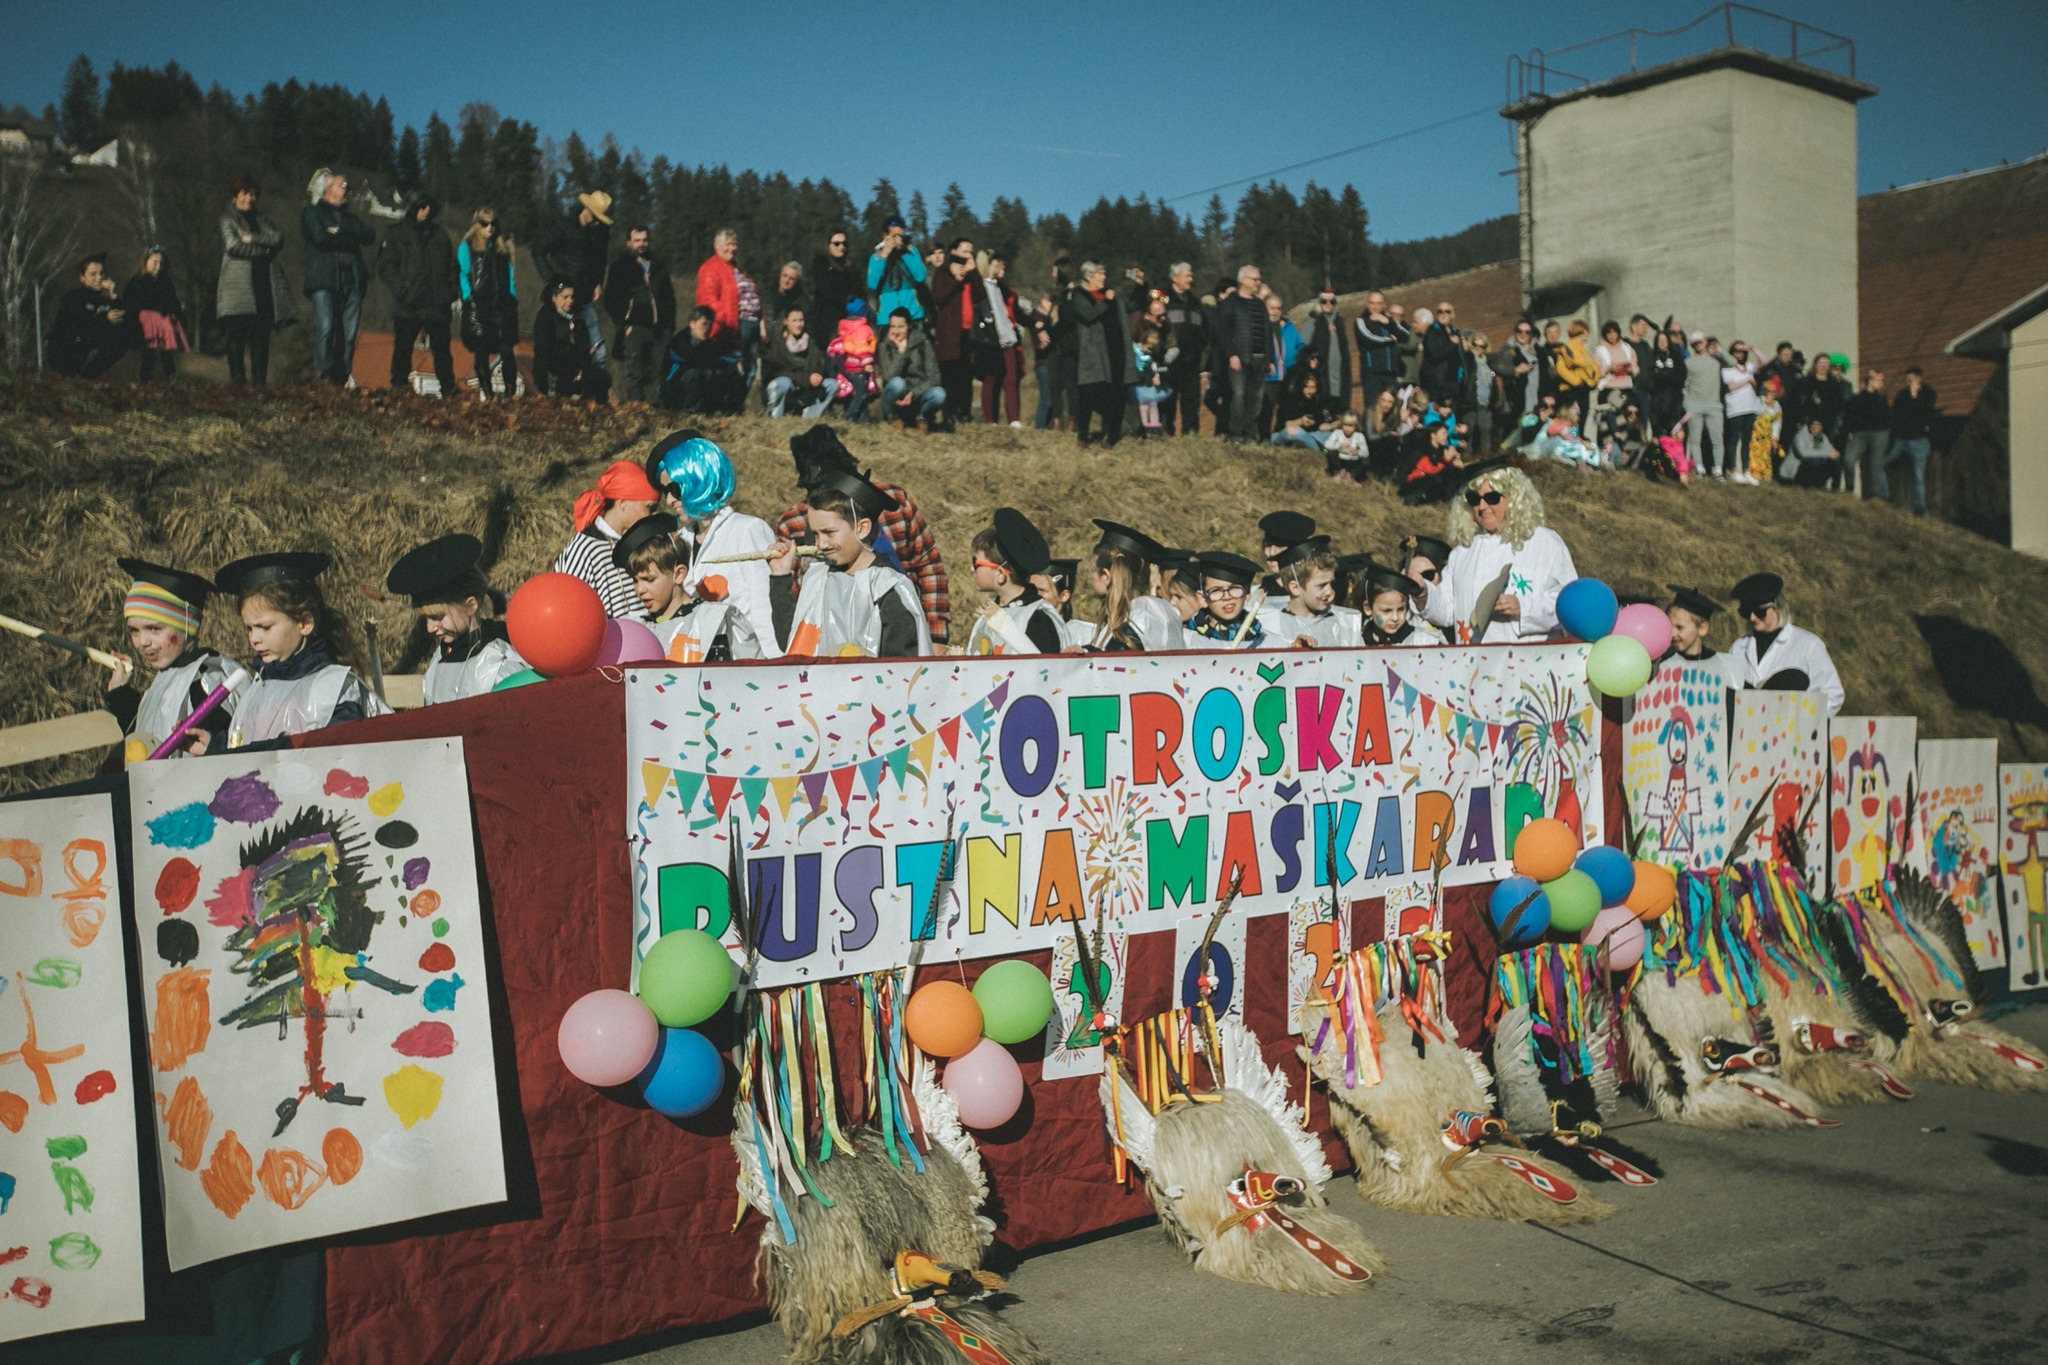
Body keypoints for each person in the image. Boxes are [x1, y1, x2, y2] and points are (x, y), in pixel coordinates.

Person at [773, 425, 950, 643]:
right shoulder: (793, 523)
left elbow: (928, 566)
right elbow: (795, 629)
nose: (821, 543)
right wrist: (779, 579)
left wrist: (936, 635)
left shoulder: (897, 504)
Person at [211, 553, 390, 749]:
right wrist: (213, 746)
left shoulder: (334, 688)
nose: (254, 639)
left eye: (265, 627)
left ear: (304, 623)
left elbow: (337, 751)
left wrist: (282, 746)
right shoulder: (258, 686)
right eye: (249, 628)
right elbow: (241, 746)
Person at [770, 469, 932, 658]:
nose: (820, 544)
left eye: (829, 532)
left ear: (862, 528)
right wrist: (780, 576)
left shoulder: (887, 587)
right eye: (815, 534)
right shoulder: (817, 577)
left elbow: (901, 665)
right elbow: (792, 642)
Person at [1417, 464, 1576, 646]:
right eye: (1474, 499)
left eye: (1492, 498)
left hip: (1528, 662)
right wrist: (1423, 593)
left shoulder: (1544, 542)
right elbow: (1446, 610)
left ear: (1514, 498)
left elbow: (1570, 603)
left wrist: (1522, 609)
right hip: (1475, 664)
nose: (1482, 506)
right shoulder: (1462, 553)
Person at [658, 436, 782, 654]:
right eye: (665, 492)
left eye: (675, 490)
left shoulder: (748, 529)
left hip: (748, 662)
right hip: (698, 663)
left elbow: (765, 607)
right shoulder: (681, 539)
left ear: (698, 481)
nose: (669, 501)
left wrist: (774, 664)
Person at [104, 558, 233, 758]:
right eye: (134, 631)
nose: (143, 642)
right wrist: (120, 694)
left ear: (189, 626)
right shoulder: (166, 677)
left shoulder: (205, 680)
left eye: (154, 628)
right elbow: (146, 741)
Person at [385, 534, 528, 702]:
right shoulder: (443, 654)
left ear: (470, 605)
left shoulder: (496, 659)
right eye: (426, 619)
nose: (430, 628)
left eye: (437, 617)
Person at [1726, 572, 1844, 716]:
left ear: (1777, 607)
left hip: (1792, 733)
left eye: (1760, 611)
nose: (1752, 617)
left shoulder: (1808, 645)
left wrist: (1804, 723)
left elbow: (1832, 694)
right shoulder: (1738, 647)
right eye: (1745, 612)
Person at [376, 190, 459, 397]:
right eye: (422, 207)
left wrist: (450, 292)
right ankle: (399, 386)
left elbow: (452, 266)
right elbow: (386, 265)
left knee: (442, 351)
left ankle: (448, 389)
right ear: (413, 208)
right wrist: (401, 290)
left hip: (436, 302)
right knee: (403, 347)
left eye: (430, 207)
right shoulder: (396, 233)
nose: (427, 211)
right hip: (409, 303)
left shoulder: (439, 234)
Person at [553, 459, 658, 618]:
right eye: (649, 507)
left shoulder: (642, 542)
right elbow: (568, 613)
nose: (651, 516)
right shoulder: (584, 550)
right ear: (623, 503)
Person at [301, 170, 376, 385]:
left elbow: (369, 235)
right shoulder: (312, 213)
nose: (349, 191)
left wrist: (337, 232)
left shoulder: (350, 218)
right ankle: (322, 374)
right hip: (324, 280)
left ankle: (340, 378)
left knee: (349, 334)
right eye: (344, 186)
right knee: (325, 328)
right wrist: (348, 236)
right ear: (329, 189)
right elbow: (319, 237)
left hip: (352, 281)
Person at [216, 177, 293, 386]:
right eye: (244, 194)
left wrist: (255, 239)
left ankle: (260, 384)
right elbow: (233, 246)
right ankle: (237, 381)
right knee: (237, 336)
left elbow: (278, 238)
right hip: (237, 287)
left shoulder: (262, 219)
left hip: (263, 284)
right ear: (235, 197)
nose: (249, 198)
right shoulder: (227, 219)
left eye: (253, 194)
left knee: (261, 337)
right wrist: (264, 251)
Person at [964, 509, 1065, 655]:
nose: (972, 569)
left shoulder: (1037, 620)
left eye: (977, 563)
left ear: (1000, 574)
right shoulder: (990, 616)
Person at [535, 190, 613, 368]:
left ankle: (597, 388)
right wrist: (550, 279)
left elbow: (601, 259)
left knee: (596, 347)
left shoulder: (600, 232)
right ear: (586, 210)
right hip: (561, 298)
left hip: (584, 296)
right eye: (595, 217)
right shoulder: (564, 226)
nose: (596, 222)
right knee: (561, 346)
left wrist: (598, 282)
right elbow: (538, 250)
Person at [604, 226, 676, 404]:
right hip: (635, 327)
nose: (641, 244)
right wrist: (624, 325)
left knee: (663, 371)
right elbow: (610, 300)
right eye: (637, 240)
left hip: (660, 330)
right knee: (634, 373)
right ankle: (635, 411)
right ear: (629, 242)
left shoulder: (658, 266)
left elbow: (669, 297)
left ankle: (664, 412)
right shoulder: (620, 267)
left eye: (644, 240)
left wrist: (669, 326)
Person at [1089, 521, 1184, 651]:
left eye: (1092, 572)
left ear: (1106, 576)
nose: (1090, 578)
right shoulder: (1166, 612)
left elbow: (1113, 668)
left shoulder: (1132, 624)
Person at [458, 208, 520, 398]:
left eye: (493, 223)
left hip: (501, 306)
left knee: (507, 351)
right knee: (481, 352)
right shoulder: (467, 246)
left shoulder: (502, 248)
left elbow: (509, 273)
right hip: (478, 306)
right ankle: (488, 393)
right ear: (477, 224)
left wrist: (512, 294)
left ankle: (510, 393)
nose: (490, 227)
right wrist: (468, 295)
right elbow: (463, 272)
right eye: (485, 223)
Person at [1260, 538, 1361, 648]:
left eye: (1331, 583)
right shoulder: (1271, 625)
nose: (1329, 591)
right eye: (1321, 585)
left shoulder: (1346, 624)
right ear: (1295, 588)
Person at [1069, 261, 1128, 448]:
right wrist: (1106, 302)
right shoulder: (1079, 295)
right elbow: (1088, 315)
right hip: (1091, 353)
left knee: (1114, 395)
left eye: (1104, 273)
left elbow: (1131, 305)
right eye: (1100, 274)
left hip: (1113, 352)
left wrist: (1141, 287)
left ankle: (1110, 437)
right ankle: (1083, 436)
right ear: (1088, 276)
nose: (1104, 277)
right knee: (1088, 394)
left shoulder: (1110, 295)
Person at [925, 236, 980, 429]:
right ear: (954, 251)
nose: (968, 255)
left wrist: (973, 273)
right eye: (965, 251)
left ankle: (964, 414)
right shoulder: (944, 271)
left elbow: (980, 295)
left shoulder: (970, 273)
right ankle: (950, 414)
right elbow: (938, 297)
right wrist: (956, 280)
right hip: (949, 331)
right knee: (950, 374)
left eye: (971, 251)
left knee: (966, 376)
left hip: (968, 331)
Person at [46, 253, 130, 377]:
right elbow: (79, 329)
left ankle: (89, 375)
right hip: (70, 352)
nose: (99, 277)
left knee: (121, 340)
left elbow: (123, 322)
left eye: (101, 273)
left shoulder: (105, 300)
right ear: (82, 277)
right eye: (93, 274)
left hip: (92, 349)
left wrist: (113, 295)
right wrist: (105, 319)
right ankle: (80, 375)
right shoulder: (73, 298)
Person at [533, 278, 609, 400]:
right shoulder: (545, 318)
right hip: (553, 373)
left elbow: (584, 347)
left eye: (572, 297)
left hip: (577, 372)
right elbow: (545, 352)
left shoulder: (578, 319)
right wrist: (571, 370)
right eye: (565, 297)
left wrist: (581, 369)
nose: (570, 301)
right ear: (554, 297)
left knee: (602, 378)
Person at [1218, 264, 1270, 442]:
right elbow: (1223, 331)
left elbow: (1266, 332)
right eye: (1255, 279)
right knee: (1238, 397)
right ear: (1243, 280)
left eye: (1259, 279)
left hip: (1259, 359)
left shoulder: (1260, 305)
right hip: (1239, 359)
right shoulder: (1230, 303)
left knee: (1256, 399)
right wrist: (1232, 354)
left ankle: (1250, 434)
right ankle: (1236, 434)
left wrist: (1269, 358)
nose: (1258, 282)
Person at [659, 305, 744, 413]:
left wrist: (736, 363)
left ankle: (725, 411)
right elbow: (695, 359)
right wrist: (718, 363)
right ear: (692, 324)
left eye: (710, 325)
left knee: (723, 373)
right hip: (672, 389)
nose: (707, 328)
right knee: (697, 373)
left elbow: (719, 356)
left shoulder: (706, 343)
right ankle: (688, 413)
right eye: (704, 324)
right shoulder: (679, 342)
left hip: (693, 387)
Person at [976, 251, 1026, 427]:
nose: (1001, 264)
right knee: (991, 380)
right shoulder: (981, 287)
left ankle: (1014, 419)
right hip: (991, 340)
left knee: (1011, 380)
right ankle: (990, 420)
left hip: (1007, 338)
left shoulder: (1000, 288)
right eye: (997, 261)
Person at [124, 247, 188, 381]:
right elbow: (130, 305)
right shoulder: (136, 282)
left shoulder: (166, 283)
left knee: (166, 348)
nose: (158, 267)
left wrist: (177, 318)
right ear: (146, 261)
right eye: (154, 262)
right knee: (149, 350)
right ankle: (146, 375)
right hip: (143, 324)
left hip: (162, 322)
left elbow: (173, 303)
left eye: (161, 263)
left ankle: (170, 374)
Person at [759, 306, 835, 419]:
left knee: (832, 385)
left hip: (804, 390)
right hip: (785, 387)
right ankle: (775, 416)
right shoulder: (775, 344)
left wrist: (817, 375)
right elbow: (777, 372)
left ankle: (809, 416)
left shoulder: (810, 342)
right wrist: (806, 379)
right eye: (794, 320)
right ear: (786, 322)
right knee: (782, 383)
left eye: (801, 320)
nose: (799, 324)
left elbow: (818, 363)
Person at [876, 307, 946, 430]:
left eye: (901, 327)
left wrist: (913, 393)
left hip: (918, 394)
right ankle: (893, 418)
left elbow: (935, 377)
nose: (896, 331)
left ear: (909, 326)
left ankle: (922, 418)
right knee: (897, 383)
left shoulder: (923, 343)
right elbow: (889, 377)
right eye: (893, 326)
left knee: (939, 394)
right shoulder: (884, 346)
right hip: (896, 397)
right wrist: (901, 352)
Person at [1879, 368, 1937, 515]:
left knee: (1918, 475)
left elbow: (1924, 411)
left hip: (1919, 440)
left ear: (1919, 379)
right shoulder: (1902, 395)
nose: (1908, 383)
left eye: (1910, 380)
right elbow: (1898, 414)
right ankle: (1884, 496)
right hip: (1902, 439)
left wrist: (1914, 395)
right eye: (1907, 380)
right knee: (1880, 464)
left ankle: (1919, 509)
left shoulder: (1929, 394)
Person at [1158, 264, 1206, 436]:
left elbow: (1204, 329)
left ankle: (1190, 432)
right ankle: (1166, 430)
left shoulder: (1194, 301)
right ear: (1175, 278)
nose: (1191, 280)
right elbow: (1153, 313)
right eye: (1187, 276)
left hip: (1191, 359)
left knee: (1192, 398)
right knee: (1167, 397)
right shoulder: (1163, 297)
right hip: (1169, 358)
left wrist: (1201, 351)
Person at [1666, 584, 1736, 689]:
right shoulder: (1663, 662)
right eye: (1669, 626)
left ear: (1702, 628)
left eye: (1679, 627)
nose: (1672, 634)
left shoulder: (1719, 666)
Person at [1188, 552, 1264, 647]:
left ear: (1247, 593)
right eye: (1216, 590)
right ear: (1203, 598)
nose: (1227, 597)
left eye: (1234, 588)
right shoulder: (1187, 642)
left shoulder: (1265, 642)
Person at [1359, 561, 1441, 646]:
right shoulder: (1355, 643)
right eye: (1387, 611)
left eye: (1401, 609)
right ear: (1368, 608)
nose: (1395, 618)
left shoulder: (1426, 642)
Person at [1353, 291, 1409, 413]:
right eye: (1372, 303)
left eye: (1378, 303)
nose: (1375, 306)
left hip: (1391, 373)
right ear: (1367, 304)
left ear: (1384, 305)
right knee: (1373, 408)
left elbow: (1405, 335)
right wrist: (1389, 339)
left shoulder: (1389, 320)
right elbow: (1368, 338)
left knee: (1393, 408)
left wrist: (1387, 322)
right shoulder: (1361, 321)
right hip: (1372, 373)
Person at [1681, 331, 1727, 479]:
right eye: (1694, 343)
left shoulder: (1716, 360)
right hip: (1694, 404)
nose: (1697, 345)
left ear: (1705, 341)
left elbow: (1733, 363)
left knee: (1717, 439)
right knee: (1695, 439)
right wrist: (1687, 403)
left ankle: (1718, 470)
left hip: (1714, 404)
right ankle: (1699, 468)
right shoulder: (1688, 362)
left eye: (1700, 342)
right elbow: (1685, 385)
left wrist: (1719, 351)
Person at [867, 216, 926, 328]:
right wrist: (884, 255)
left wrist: (906, 252)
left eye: (901, 236)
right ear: (885, 236)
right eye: (894, 236)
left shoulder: (911, 252)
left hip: (913, 316)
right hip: (886, 319)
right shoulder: (876, 258)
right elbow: (872, 284)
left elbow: (920, 276)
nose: (898, 240)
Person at [1841, 368, 1890, 498]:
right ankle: (1849, 488)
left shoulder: (1881, 399)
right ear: (1870, 381)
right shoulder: (1857, 399)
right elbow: (1849, 417)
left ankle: (1875, 494)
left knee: (1875, 465)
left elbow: (1885, 417)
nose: (1881, 383)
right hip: (1859, 434)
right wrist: (1848, 433)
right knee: (1848, 460)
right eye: (1878, 380)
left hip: (1879, 433)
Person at [1719, 340, 1762, 486]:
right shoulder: (1727, 369)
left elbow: (1765, 361)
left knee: (1746, 441)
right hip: (1736, 409)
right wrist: (1748, 381)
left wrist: (1752, 348)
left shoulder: (1749, 367)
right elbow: (1731, 386)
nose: (1740, 354)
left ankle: (1745, 469)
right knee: (1734, 440)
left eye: (1742, 351)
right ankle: (1732, 469)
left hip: (1750, 408)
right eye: (1737, 351)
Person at [1301, 288, 1352, 407]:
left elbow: (1345, 349)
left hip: (1340, 376)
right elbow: (1303, 348)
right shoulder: (1312, 321)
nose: (1328, 304)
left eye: (1332, 302)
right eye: (1324, 301)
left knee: (1340, 409)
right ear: (1319, 303)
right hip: (1321, 375)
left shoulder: (1340, 322)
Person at [810, 228, 863, 334]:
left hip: (850, 322)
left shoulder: (852, 269)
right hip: (826, 322)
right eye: (836, 244)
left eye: (844, 244)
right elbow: (826, 291)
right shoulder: (821, 266)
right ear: (828, 245)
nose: (841, 247)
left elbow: (860, 292)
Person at [1270, 369, 1336, 451]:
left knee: (1329, 435)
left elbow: (1320, 425)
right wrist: (1301, 421)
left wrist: (1333, 425)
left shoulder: (1316, 401)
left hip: (1308, 435)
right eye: (1307, 387)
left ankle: (1316, 446)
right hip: (1283, 434)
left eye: (1313, 387)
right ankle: (1320, 452)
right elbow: (1284, 425)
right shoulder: (1290, 400)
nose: (1310, 391)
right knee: (1293, 431)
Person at [1493, 318, 1545, 418]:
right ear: (1515, 332)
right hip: (1519, 401)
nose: (1523, 334)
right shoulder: (1509, 349)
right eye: (1519, 331)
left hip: (1537, 400)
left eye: (1527, 332)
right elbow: (1496, 366)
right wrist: (1516, 370)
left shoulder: (1536, 350)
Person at [1420, 300, 1467, 406]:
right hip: (1436, 385)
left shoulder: (1456, 333)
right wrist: (1452, 344)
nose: (1443, 314)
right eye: (1440, 312)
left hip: (1454, 382)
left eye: (1447, 312)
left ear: (1453, 315)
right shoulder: (1432, 332)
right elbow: (1435, 354)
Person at [1551, 319, 1597, 422]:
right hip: (1572, 390)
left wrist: (1593, 381)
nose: (1587, 334)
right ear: (1583, 332)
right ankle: (1574, 437)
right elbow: (1561, 369)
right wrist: (1577, 381)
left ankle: (1579, 437)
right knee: (1573, 419)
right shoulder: (1567, 349)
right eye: (1586, 331)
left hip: (1584, 388)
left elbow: (1592, 367)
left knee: (1583, 415)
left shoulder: (1583, 350)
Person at [1777, 417, 1842, 488]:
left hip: (1810, 469)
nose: (1815, 427)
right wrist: (1827, 453)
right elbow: (1804, 454)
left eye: (1818, 425)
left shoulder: (1820, 436)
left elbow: (1830, 450)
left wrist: (1835, 454)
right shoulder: (1800, 435)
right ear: (1809, 425)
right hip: (1793, 472)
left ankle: (1834, 488)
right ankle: (1810, 485)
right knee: (1812, 460)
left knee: (1835, 462)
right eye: (1813, 424)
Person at [1644, 327, 1684, 435]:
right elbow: (1649, 379)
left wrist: (1662, 375)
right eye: (1659, 340)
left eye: (1665, 340)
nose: (1662, 343)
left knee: (1674, 431)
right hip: (1658, 402)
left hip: (1674, 402)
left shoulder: (1675, 356)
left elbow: (1681, 376)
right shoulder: (1652, 358)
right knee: (1660, 433)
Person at [1324, 409, 1368, 483]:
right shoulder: (1337, 433)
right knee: (1329, 452)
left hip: (1352, 461)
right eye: (1345, 425)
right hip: (1340, 460)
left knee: (1366, 460)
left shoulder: (1359, 436)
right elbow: (1326, 444)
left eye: (1350, 426)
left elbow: (1366, 452)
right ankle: (1338, 473)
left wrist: (1357, 452)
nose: (1347, 428)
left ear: (1355, 426)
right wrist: (1339, 445)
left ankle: (1351, 475)